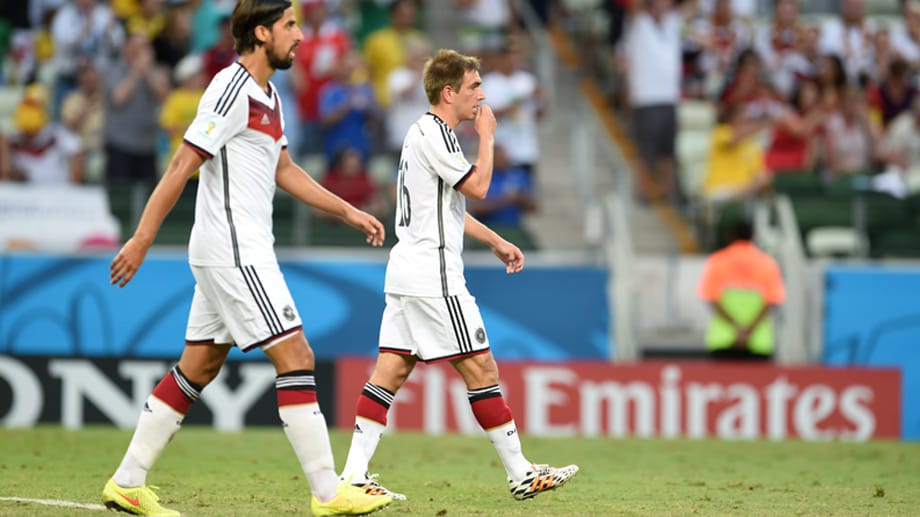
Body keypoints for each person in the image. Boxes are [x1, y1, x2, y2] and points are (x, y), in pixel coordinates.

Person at [100, 1, 393, 515]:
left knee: (200, 364)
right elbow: (182, 163)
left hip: (236, 247)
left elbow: (285, 170)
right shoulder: (230, 88)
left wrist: (348, 212)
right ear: (261, 33)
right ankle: (329, 492)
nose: (300, 36)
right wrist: (143, 236)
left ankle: (127, 481)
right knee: (297, 356)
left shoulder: (271, 96)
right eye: (290, 26)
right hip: (233, 247)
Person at [337, 48, 578, 503]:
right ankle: (520, 472)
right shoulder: (440, 135)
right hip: (434, 275)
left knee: (388, 371)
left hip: (407, 269)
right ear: (449, 92)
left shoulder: (421, 134)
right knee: (481, 367)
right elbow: (481, 187)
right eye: (474, 88)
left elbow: (448, 208)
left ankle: (352, 475)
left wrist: (494, 240)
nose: (481, 97)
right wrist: (487, 137)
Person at [697, 220, 785, 360]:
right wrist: (748, 331)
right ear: (753, 236)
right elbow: (772, 302)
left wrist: (737, 329)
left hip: (723, 337)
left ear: (731, 236)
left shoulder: (718, 261)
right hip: (758, 340)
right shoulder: (767, 263)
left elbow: (712, 299)